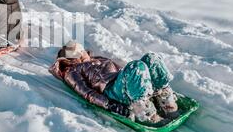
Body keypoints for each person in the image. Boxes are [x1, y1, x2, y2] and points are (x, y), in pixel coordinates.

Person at [49, 41, 179, 123]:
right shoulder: (72, 71)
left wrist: (140, 79)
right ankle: (145, 111)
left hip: (120, 82)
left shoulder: (96, 59)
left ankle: (164, 98)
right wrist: (109, 104)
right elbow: (86, 92)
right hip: (112, 91)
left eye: (82, 50)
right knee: (136, 66)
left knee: (151, 58)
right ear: (73, 58)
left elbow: (119, 70)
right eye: (80, 52)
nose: (84, 53)